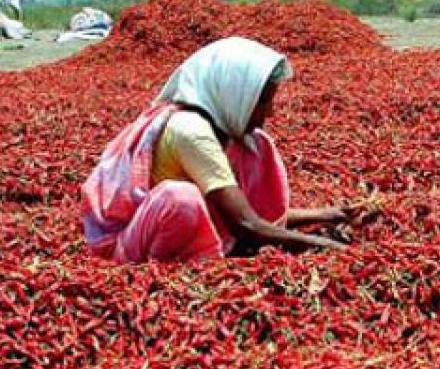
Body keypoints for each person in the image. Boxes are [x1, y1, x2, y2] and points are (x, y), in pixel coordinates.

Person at [82, 37, 350, 263]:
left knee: (256, 144)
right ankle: (170, 270)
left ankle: (207, 249)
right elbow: (245, 224)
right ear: (233, 93)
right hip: (132, 248)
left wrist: (324, 215)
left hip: (203, 227)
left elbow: (242, 213)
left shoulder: (223, 135)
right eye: (262, 101)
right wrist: (322, 246)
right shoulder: (191, 131)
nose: (269, 112)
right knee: (180, 198)